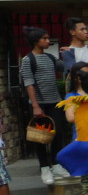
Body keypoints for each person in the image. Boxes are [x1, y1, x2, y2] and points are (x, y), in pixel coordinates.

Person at [20, 27, 70, 184]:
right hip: (39, 104)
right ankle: (44, 168)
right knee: (39, 137)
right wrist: (35, 106)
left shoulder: (50, 57)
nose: (48, 41)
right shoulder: (28, 60)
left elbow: (65, 67)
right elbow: (29, 84)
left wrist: (68, 53)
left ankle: (56, 165)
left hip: (54, 101)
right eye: (45, 39)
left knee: (58, 133)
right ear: (36, 41)